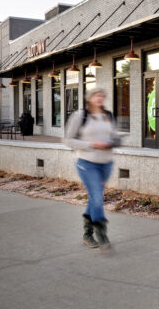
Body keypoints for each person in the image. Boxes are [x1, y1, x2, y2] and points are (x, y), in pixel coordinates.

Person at [65, 87, 121, 251]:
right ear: (89, 98)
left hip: (106, 163)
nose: (100, 98)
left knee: (95, 197)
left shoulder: (108, 115)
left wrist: (114, 142)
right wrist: (92, 144)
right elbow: (68, 140)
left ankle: (87, 234)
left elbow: (114, 136)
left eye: (102, 96)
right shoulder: (80, 116)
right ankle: (101, 235)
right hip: (86, 163)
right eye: (97, 95)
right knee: (97, 196)